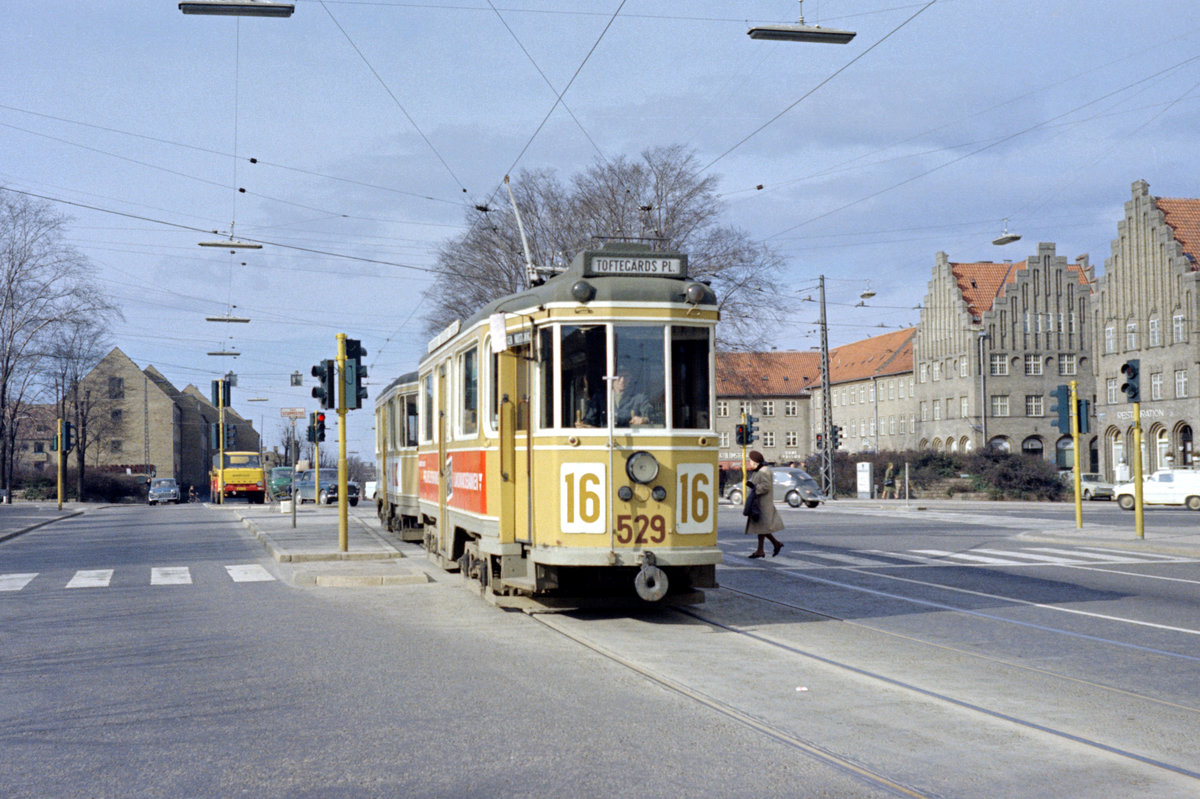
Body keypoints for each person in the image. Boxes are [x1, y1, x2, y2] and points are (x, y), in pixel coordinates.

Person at [744, 450, 784, 558]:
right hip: (758, 503)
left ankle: (775, 544)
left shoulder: (764, 471)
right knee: (761, 528)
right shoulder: (758, 471)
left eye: (750, 461)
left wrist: (754, 487)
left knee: (762, 527)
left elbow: (766, 486)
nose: (749, 462)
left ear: (755, 461)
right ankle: (761, 549)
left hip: (763, 504)